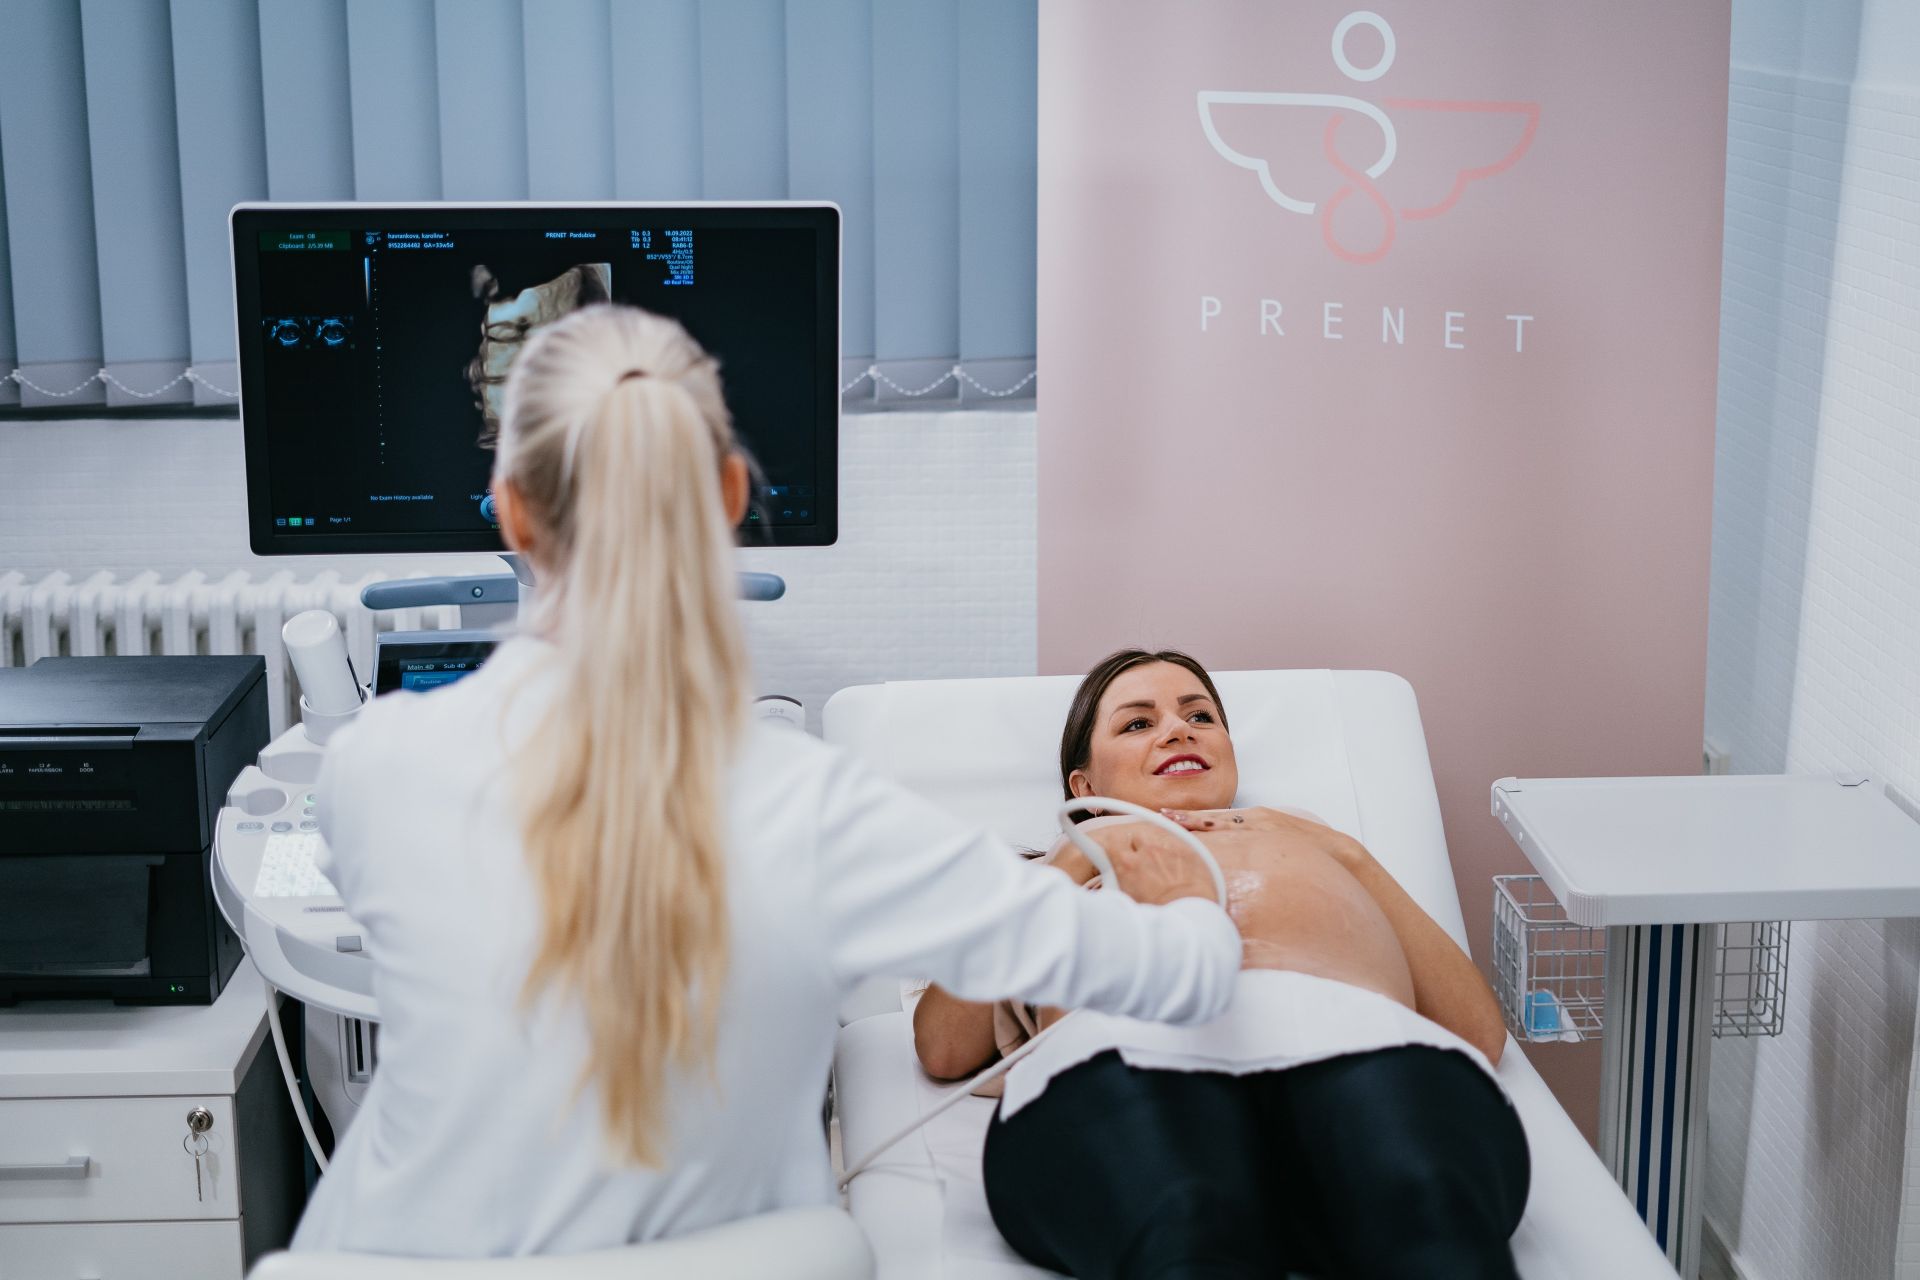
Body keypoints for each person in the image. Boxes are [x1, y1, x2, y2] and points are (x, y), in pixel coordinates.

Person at [291, 308, 1245, 1256]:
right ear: (731, 493)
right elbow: (1186, 979)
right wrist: (1192, 902)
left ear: (510, 511)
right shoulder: (820, 808)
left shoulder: (370, 766)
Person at [914, 649, 1530, 1280]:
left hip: (1357, 1042)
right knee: (1185, 1229)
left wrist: (1346, 854)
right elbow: (943, 1047)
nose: (1178, 731)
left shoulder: (1307, 835)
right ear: (1085, 789)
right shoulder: (1047, 882)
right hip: (1125, 1061)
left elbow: (1478, 1035)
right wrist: (1071, 862)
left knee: (1430, 1213)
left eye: (1200, 716)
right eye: (1137, 723)